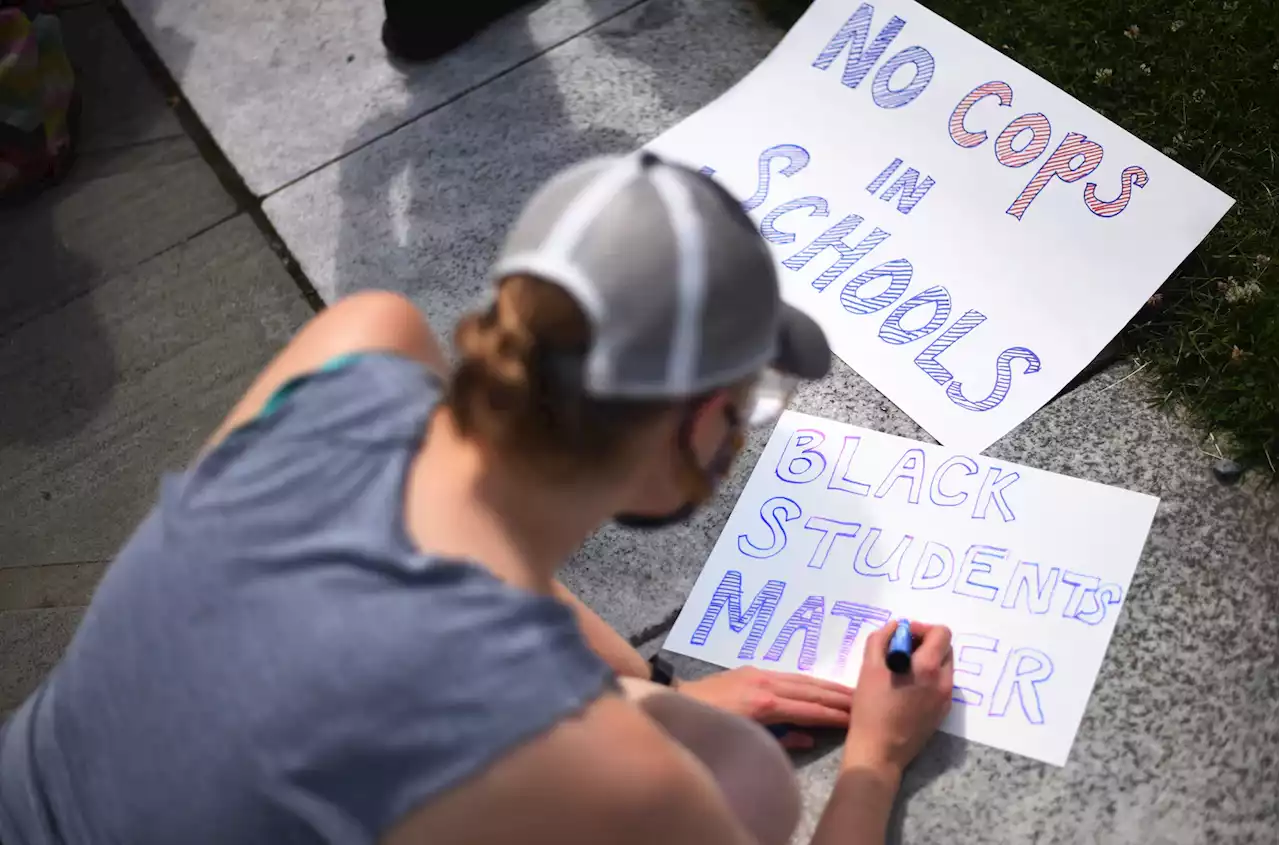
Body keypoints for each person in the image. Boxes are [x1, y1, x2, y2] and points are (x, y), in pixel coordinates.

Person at [0, 152, 954, 844]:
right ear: (697, 425)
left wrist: (656, 689)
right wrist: (876, 755)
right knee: (753, 797)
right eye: (745, 406)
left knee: (730, 763)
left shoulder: (359, 346)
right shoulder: (614, 773)